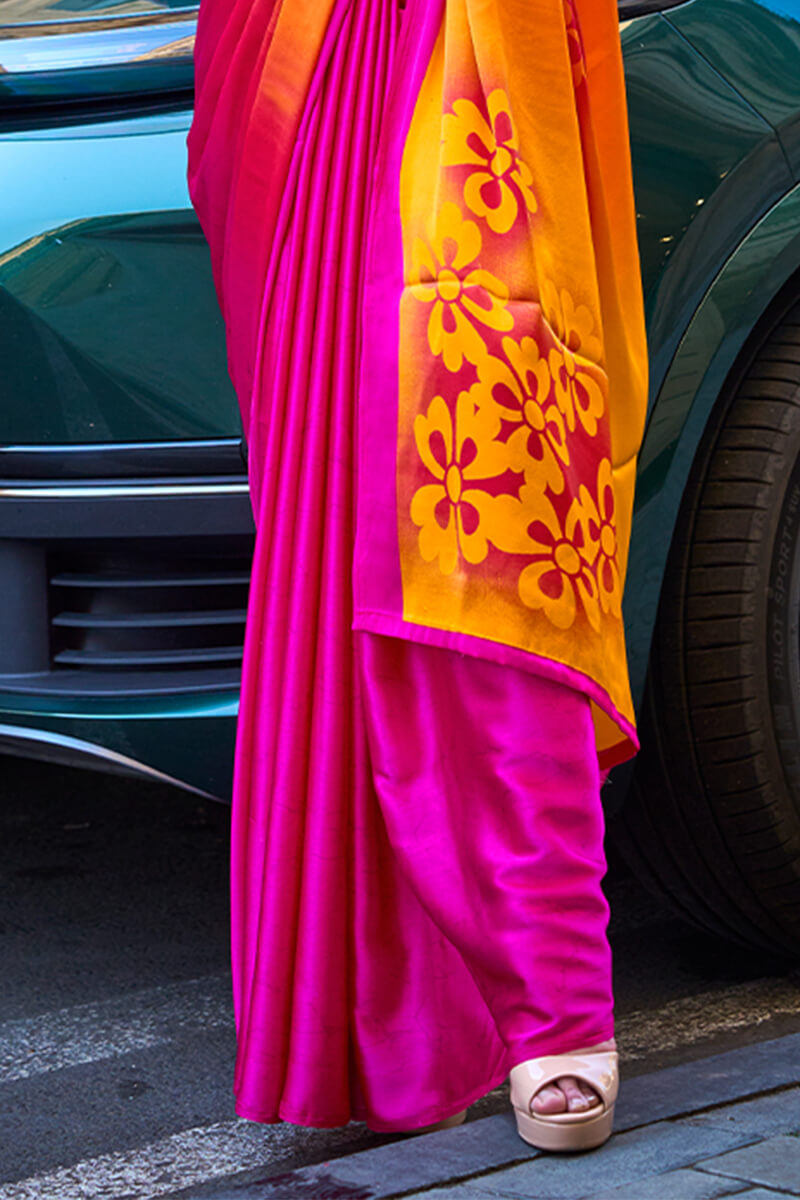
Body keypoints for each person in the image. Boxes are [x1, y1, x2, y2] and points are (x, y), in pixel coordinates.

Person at [188, 0, 648, 1152]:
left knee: (487, 524)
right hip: (300, 66)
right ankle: (371, 1012)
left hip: (469, 54)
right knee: (340, 530)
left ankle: (555, 994)